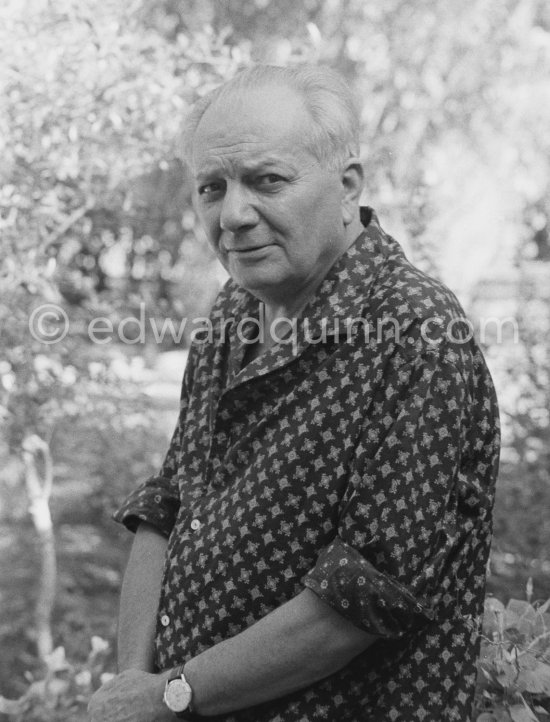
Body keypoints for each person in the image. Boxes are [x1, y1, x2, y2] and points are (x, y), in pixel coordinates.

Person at [88, 64, 500, 722]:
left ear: (347, 186)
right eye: (211, 188)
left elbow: (356, 604)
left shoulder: (419, 339)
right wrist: (133, 683)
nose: (234, 214)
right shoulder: (234, 311)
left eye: (267, 180)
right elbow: (168, 503)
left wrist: (171, 695)